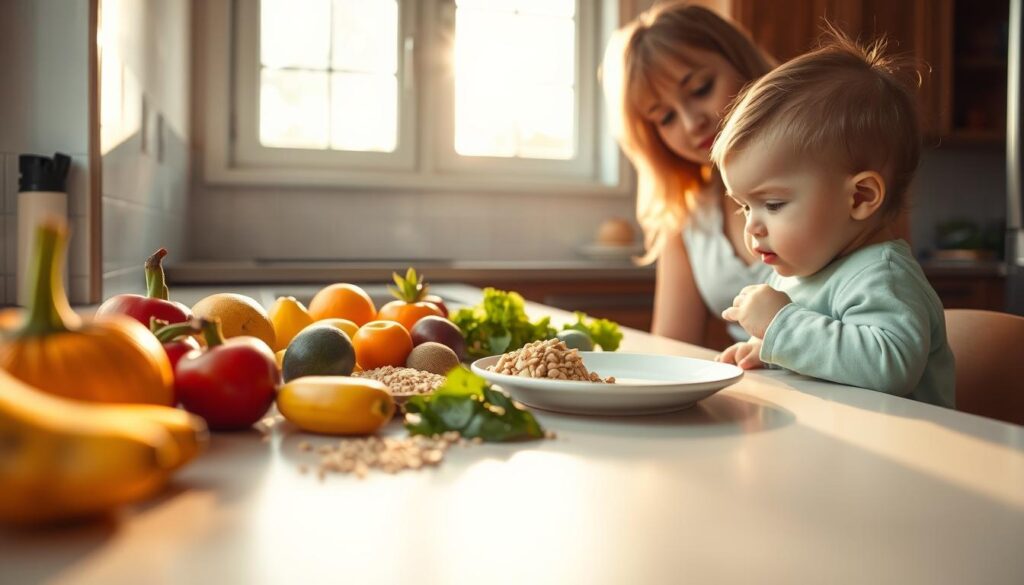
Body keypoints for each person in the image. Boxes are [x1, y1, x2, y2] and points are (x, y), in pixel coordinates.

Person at [711, 31, 955, 408]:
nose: (752, 227)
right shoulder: (803, 270)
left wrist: (782, 326)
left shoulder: (882, 275)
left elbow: (890, 365)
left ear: (860, 197)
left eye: (773, 204)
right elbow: (829, 352)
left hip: (905, 457)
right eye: (745, 207)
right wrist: (767, 349)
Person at [601, 2, 775, 346]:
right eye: (665, 117)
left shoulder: (831, 162)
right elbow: (672, 348)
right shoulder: (685, 216)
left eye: (700, 89)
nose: (691, 122)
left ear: (739, 60)